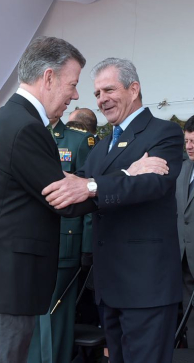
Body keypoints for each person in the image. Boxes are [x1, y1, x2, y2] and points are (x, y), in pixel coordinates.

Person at [0, 36, 96, 363]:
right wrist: (113, 183)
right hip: (5, 287)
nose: (75, 95)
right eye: (72, 84)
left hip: (1, 284)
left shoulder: (15, 119)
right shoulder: (24, 127)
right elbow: (66, 200)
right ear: (48, 77)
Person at [42, 58, 184, 363]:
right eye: (97, 93)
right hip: (110, 285)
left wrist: (91, 186)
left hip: (147, 286)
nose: (101, 99)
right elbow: (77, 191)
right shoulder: (103, 145)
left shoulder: (164, 133)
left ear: (133, 89)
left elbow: (150, 185)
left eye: (109, 90)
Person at [28, 116, 94, 363]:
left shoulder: (78, 140)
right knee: (30, 316)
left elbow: (88, 197)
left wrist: (86, 247)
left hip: (63, 244)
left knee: (54, 317)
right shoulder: (25, 136)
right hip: (29, 240)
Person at [177, 115, 194, 347]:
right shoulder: (182, 170)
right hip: (184, 262)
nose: (189, 146)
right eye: (187, 141)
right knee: (190, 323)